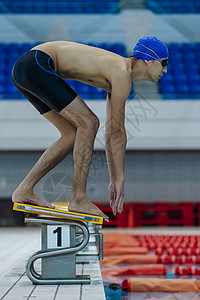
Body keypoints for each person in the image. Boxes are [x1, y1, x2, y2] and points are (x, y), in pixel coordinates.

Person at [11, 36, 168, 222]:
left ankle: (24, 189)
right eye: (163, 63)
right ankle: (78, 198)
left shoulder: (119, 75)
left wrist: (115, 178)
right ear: (149, 60)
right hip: (37, 64)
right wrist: (119, 178)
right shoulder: (121, 72)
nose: (165, 70)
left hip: (26, 69)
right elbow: (116, 133)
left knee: (70, 135)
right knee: (89, 122)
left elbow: (113, 132)